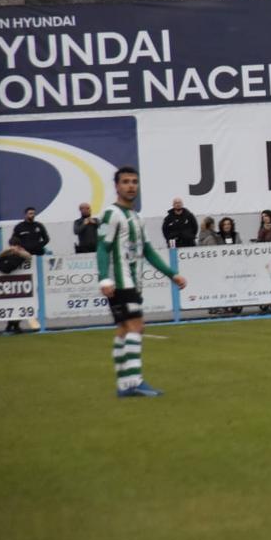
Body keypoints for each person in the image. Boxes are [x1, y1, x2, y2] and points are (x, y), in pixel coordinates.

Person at [97, 166, 187, 397]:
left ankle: (124, 384)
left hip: (132, 282)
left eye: (134, 182)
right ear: (117, 186)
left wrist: (171, 273)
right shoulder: (111, 214)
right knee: (137, 326)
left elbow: (147, 250)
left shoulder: (137, 218)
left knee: (124, 329)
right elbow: (102, 247)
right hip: (121, 281)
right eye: (125, 181)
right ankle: (134, 382)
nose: (131, 186)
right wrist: (104, 278)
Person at [0, 235, 33, 333]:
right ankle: (11, 325)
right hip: (8, 283)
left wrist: (18, 251)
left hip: (19, 284)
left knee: (20, 305)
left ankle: (15, 325)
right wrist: (8, 251)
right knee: (11, 304)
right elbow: (0, 261)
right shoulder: (7, 254)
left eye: (15, 245)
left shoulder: (21, 253)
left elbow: (29, 256)